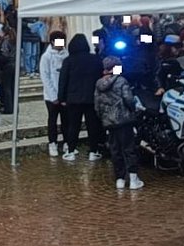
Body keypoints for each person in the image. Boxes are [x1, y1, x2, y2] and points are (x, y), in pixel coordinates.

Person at [94, 56, 143, 190]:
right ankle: (133, 179)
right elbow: (129, 100)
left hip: (109, 122)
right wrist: (134, 110)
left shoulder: (99, 83)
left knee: (115, 151)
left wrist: (103, 118)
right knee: (129, 149)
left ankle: (119, 179)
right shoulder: (122, 81)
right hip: (124, 120)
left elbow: (97, 105)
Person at [58, 34, 106, 162]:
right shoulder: (96, 59)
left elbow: (63, 80)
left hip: (73, 98)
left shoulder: (68, 60)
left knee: (73, 126)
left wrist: (61, 98)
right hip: (91, 98)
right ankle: (93, 151)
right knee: (92, 126)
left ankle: (71, 151)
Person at [40, 31, 68, 156]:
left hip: (64, 94)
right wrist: (53, 96)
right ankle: (53, 143)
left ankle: (67, 142)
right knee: (52, 120)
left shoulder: (66, 54)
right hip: (51, 95)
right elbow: (45, 77)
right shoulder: (46, 57)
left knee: (66, 120)